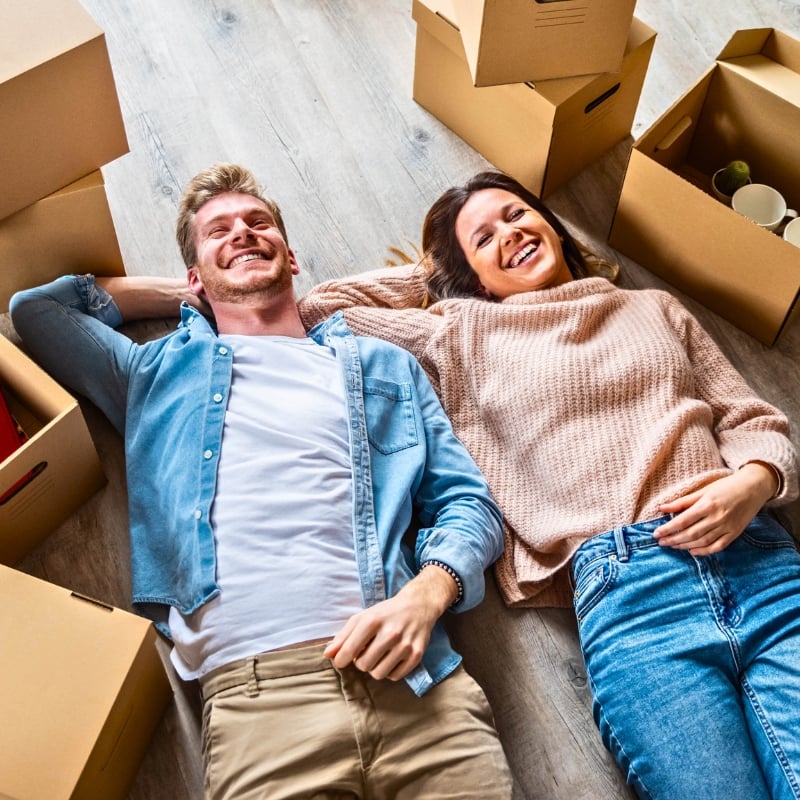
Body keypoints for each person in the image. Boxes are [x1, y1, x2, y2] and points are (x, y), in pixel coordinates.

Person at [9, 164, 514, 800]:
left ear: (292, 254)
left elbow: (469, 503)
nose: (244, 234)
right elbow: (38, 310)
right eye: (219, 232)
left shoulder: (382, 365)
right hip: (259, 708)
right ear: (193, 274)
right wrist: (196, 290)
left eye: (259, 224)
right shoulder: (153, 372)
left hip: (417, 685)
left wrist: (427, 596)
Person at [297, 170, 800, 800]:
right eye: (484, 239)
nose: (510, 234)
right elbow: (320, 312)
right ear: (472, 277)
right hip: (635, 601)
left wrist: (752, 482)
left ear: (549, 224)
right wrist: (435, 272)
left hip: (759, 564)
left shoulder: (652, 307)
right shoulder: (458, 332)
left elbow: (751, 420)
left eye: (516, 215)